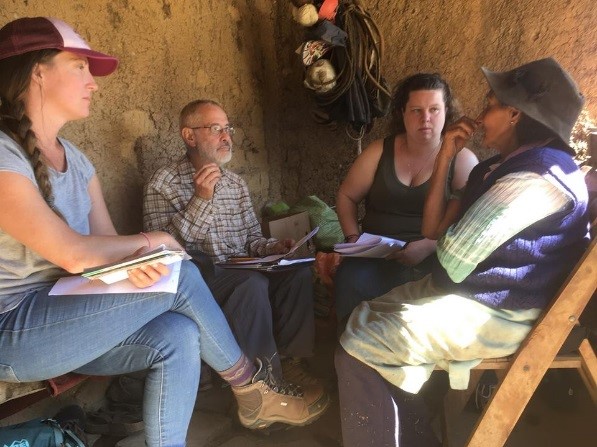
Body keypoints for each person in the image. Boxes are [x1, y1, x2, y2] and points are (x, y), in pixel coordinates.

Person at [0, 17, 328, 447]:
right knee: (182, 277)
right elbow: (75, 255)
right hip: (16, 331)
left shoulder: (78, 162)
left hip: (70, 318)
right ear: (37, 72)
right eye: (79, 66)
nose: (93, 83)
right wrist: (154, 243)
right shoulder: (5, 153)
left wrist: (132, 268)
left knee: (178, 333)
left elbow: (107, 249)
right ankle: (252, 388)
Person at [335, 57, 589, 447]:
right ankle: (417, 437)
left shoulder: (537, 178)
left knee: (356, 349)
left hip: (497, 312)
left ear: (516, 114)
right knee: (361, 317)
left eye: (490, 105)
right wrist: (444, 157)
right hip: (470, 295)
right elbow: (432, 230)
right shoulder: (497, 168)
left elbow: (452, 259)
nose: (481, 114)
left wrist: (447, 235)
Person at [143, 99, 321, 388]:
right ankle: (262, 387)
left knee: (297, 273)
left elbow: (251, 238)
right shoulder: (162, 183)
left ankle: (293, 363)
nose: (227, 137)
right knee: (250, 285)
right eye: (216, 129)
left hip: (241, 269)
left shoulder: (235, 183)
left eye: (228, 129)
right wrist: (201, 198)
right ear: (189, 136)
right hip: (198, 280)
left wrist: (274, 248)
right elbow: (162, 253)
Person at [334, 73, 478, 323]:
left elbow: (470, 224)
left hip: (432, 257)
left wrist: (429, 246)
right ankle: (352, 356)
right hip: (376, 256)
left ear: (447, 112)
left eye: (434, 109)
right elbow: (347, 195)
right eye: (416, 110)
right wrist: (353, 239)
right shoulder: (380, 150)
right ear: (402, 113)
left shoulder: (463, 160)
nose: (426, 118)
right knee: (350, 279)